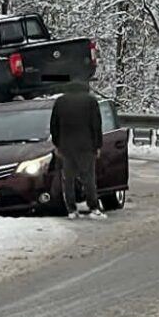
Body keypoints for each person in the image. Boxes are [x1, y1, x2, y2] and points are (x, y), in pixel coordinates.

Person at [50, 82, 105, 218]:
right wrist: (97, 145)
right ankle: (93, 208)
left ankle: (71, 209)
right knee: (88, 178)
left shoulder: (60, 102)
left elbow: (54, 125)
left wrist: (57, 144)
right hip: (86, 146)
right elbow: (96, 124)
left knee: (68, 179)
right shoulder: (91, 101)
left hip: (66, 146)